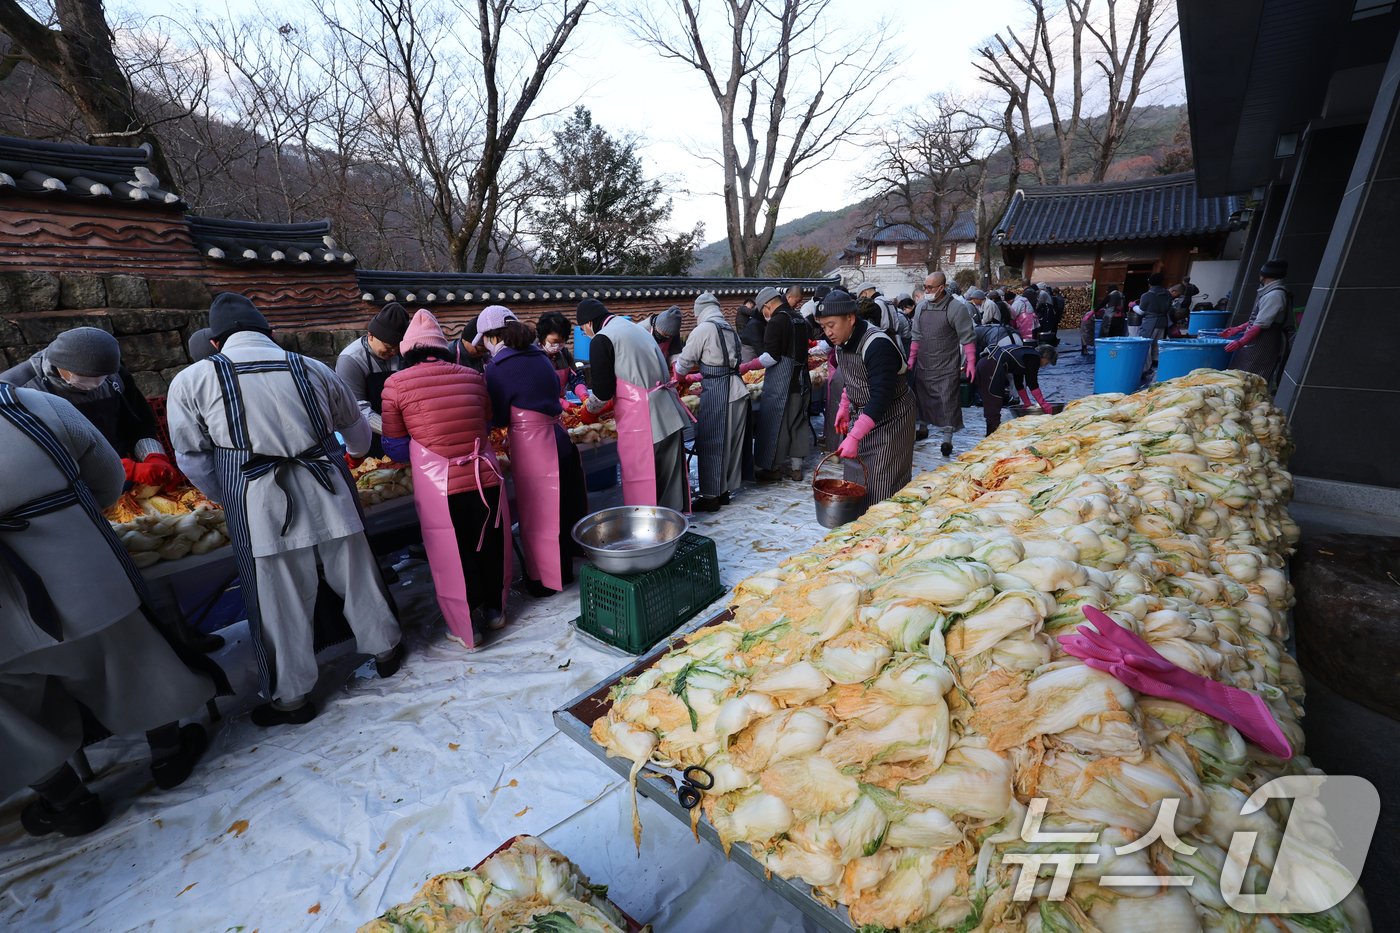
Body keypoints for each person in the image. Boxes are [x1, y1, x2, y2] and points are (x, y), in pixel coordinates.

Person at [167, 293, 403, 727]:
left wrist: (230, 492)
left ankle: (292, 699)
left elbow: (192, 457)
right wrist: (345, 452)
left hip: (259, 500)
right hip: (328, 486)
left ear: (216, 342)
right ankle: (387, 651)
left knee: (279, 600)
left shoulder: (191, 380)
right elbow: (356, 434)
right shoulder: (311, 367)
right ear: (270, 334)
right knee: (356, 575)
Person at [0, 383, 220, 837]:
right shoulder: (35, 404)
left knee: (8, 711)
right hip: (76, 572)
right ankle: (168, 752)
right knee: (129, 661)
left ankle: (66, 800)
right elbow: (105, 479)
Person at [379, 309, 512, 645]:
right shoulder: (472, 376)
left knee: (453, 554)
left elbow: (394, 447)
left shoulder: (395, 384)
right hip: (486, 479)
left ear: (408, 351)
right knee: (491, 545)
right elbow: (485, 425)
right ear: (441, 347)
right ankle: (496, 611)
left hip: (442, 487)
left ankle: (466, 625)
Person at [480, 307, 587, 597]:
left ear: (492, 337)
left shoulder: (498, 367)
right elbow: (554, 392)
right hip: (559, 437)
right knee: (561, 509)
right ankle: (563, 571)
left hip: (532, 445)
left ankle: (543, 580)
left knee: (537, 514)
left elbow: (500, 416)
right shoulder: (540, 357)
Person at [0, 326, 177, 490]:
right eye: (86, 376)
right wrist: (107, 468)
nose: (96, 383)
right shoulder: (17, 389)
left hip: (123, 479)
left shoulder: (115, 375)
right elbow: (22, 458)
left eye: (102, 376)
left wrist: (153, 456)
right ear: (61, 365)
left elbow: (139, 422)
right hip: (63, 489)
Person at [576, 297, 690, 512]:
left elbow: (602, 392)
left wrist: (588, 412)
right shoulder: (635, 328)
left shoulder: (602, 339)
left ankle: (651, 535)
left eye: (583, 329)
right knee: (669, 484)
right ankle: (674, 529)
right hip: (669, 413)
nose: (585, 333)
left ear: (589, 323)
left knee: (644, 481)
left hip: (643, 422)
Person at [816, 290, 917, 504]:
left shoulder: (877, 344)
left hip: (892, 420)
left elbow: (881, 396)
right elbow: (852, 379)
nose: (828, 333)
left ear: (850, 318)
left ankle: (882, 533)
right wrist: (845, 406)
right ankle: (858, 529)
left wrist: (854, 437)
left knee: (882, 482)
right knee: (855, 479)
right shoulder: (842, 342)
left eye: (831, 325)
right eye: (823, 327)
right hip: (862, 417)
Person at [674, 292, 748, 511]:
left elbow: (683, 363)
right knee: (731, 445)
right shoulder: (729, 329)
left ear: (700, 310)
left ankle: (710, 497)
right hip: (738, 391)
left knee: (712, 443)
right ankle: (724, 491)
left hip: (718, 392)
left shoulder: (704, 329)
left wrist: (679, 376)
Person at [741, 286, 811, 482]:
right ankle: (796, 469)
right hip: (802, 379)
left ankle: (773, 468)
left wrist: (747, 366)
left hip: (783, 383)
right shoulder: (799, 319)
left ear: (767, 305)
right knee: (798, 422)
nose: (764, 314)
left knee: (776, 423)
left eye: (763, 310)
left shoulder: (777, 321)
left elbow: (771, 357)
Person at [908, 272, 977, 458]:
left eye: (930, 287)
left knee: (947, 403)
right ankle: (922, 428)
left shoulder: (956, 308)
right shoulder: (921, 307)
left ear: (941, 287)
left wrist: (971, 361)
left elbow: (967, 337)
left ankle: (947, 440)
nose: (926, 290)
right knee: (922, 400)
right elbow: (916, 335)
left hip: (946, 366)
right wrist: (912, 359)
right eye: (925, 286)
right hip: (924, 363)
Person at [335, 303, 410, 457]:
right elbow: (358, 409)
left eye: (397, 347)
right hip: (366, 435)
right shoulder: (350, 360)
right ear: (371, 335)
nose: (393, 352)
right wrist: (393, 430)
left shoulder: (402, 354)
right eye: (388, 346)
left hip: (401, 431)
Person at [1223, 259, 1292, 385]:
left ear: (1264, 276)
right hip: (1255, 341)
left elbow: (1260, 324)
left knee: (1253, 378)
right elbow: (1257, 319)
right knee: (1241, 374)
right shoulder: (1270, 293)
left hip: (1264, 342)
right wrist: (1238, 329)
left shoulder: (1275, 295)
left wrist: (1240, 342)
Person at [974, 342, 1059, 435]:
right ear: (1044, 356)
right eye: (1046, 363)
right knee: (994, 401)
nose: (1044, 365)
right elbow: (1032, 383)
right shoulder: (1034, 357)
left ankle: (991, 433)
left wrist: (1027, 403)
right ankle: (992, 436)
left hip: (983, 362)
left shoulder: (1025, 354)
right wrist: (1043, 403)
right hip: (992, 365)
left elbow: (1018, 383)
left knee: (990, 401)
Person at [536, 311, 587, 399]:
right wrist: (559, 402)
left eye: (562, 341)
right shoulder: (532, 357)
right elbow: (535, 389)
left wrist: (583, 394)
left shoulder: (564, 354)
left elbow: (575, 377)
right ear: (542, 336)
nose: (558, 345)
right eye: (555, 341)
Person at [1137, 272, 1173, 376]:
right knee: (1158, 346)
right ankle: (1156, 371)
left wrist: (1133, 305)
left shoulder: (1147, 295)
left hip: (1150, 323)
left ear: (1150, 283)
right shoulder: (1167, 294)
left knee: (1146, 346)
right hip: (1163, 322)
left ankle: (1145, 370)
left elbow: (1141, 311)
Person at [737, 298, 765, 364]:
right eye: (752, 306)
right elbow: (751, 313)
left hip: (745, 332)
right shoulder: (742, 308)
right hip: (743, 332)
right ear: (749, 303)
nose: (751, 308)